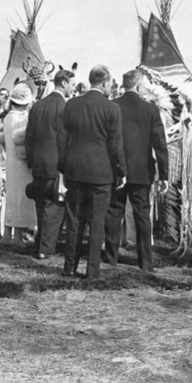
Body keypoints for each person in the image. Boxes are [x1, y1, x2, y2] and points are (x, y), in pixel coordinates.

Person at [59, 65, 126, 279]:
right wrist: (121, 171)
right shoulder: (112, 109)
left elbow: (63, 138)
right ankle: (92, 271)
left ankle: (69, 267)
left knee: (74, 220)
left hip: (75, 170)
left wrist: (63, 166)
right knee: (97, 222)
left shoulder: (72, 105)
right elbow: (115, 145)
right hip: (101, 173)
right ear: (105, 82)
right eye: (110, 83)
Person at [104, 70, 168, 272]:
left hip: (116, 169)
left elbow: (108, 140)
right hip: (142, 170)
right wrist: (164, 174)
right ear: (139, 86)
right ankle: (146, 262)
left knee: (114, 212)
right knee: (142, 215)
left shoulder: (113, 106)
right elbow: (160, 144)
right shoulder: (150, 110)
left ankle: (111, 257)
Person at [25, 69, 76, 259]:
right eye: (71, 84)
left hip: (38, 164)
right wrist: (65, 167)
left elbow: (29, 137)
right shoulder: (65, 108)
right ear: (63, 83)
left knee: (41, 206)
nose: (72, 88)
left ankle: (40, 244)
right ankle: (45, 249)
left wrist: (31, 161)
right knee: (54, 208)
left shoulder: (37, 106)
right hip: (56, 165)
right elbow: (64, 140)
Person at [0, 82, 37, 245]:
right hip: (22, 162)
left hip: (11, 161)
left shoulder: (8, 117)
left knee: (12, 197)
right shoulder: (21, 120)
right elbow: (23, 142)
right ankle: (17, 236)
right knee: (22, 198)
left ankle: (7, 233)